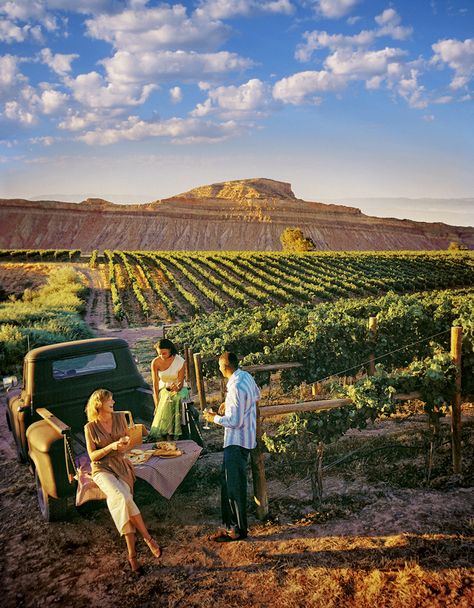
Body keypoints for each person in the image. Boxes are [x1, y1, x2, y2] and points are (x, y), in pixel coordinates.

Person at [84, 388, 162, 573]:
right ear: (99, 404)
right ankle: (147, 539)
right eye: (110, 400)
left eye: (112, 399)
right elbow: (93, 456)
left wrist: (124, 444)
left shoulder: (120, 417)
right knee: (122, 498)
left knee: (122, 502)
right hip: (102, 469)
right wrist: (111, 446)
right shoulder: (89, 427)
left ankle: (132, 556)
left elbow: (127, 442)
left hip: (121, 465)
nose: (114, 402)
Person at [204, 352, 260, 542]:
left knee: (234, 488)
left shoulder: (235, 386)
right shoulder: (246, 376)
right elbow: (256, 396)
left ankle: (238, 531)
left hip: (236, 440)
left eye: (219, 366)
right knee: (229, 483)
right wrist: (227, 404)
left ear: (225, 367)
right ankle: (230, 527)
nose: (218, 369)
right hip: (246, 439)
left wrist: (214, 418)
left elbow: (235, 421)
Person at [148, 338, 189, 441]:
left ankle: (176, 431)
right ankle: (165, 432)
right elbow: (155, 384)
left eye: (164, 353)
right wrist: (156, 402)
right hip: (164, 387)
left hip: (180, 387)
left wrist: (177, 387)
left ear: (170, 350)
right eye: (159, 354)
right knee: (165, 397)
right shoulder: (155, 362)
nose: (161, 356)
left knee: (176, 397)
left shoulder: (180, 361)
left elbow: (180, 382)